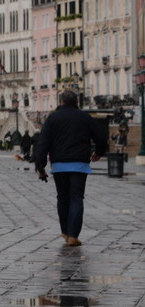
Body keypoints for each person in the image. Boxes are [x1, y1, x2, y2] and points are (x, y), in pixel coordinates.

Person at [33, 91, 108, 247]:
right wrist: (99, 153)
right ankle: (73, 235)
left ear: (61, 102)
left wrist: (40, 166)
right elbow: (101, 137)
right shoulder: (85, 117)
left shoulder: (52, 118)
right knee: (76, 198)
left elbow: (43, 143)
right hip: (80, 164)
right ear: (77, 102)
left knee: (63, 197)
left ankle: (65, 232)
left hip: (59, 165)